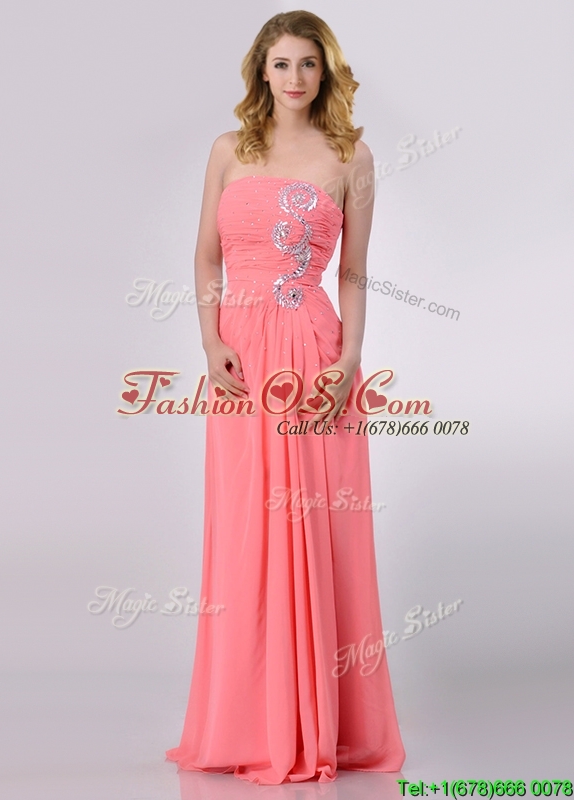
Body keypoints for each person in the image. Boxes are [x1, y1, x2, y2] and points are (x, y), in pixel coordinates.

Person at [165, 10, 406, 785]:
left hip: (311, 355)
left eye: (308, 64)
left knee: (314, 529)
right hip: (241, 361)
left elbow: (354, 271)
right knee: (246, 529)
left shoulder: (351, 156)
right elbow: (206, 256)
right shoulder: (227, 150)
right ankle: (249, 721)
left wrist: (351, 357)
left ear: (324, 72)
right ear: (260, 73)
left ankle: (319, 724)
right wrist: (210, 341)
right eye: (282, 64)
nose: (295, 77)